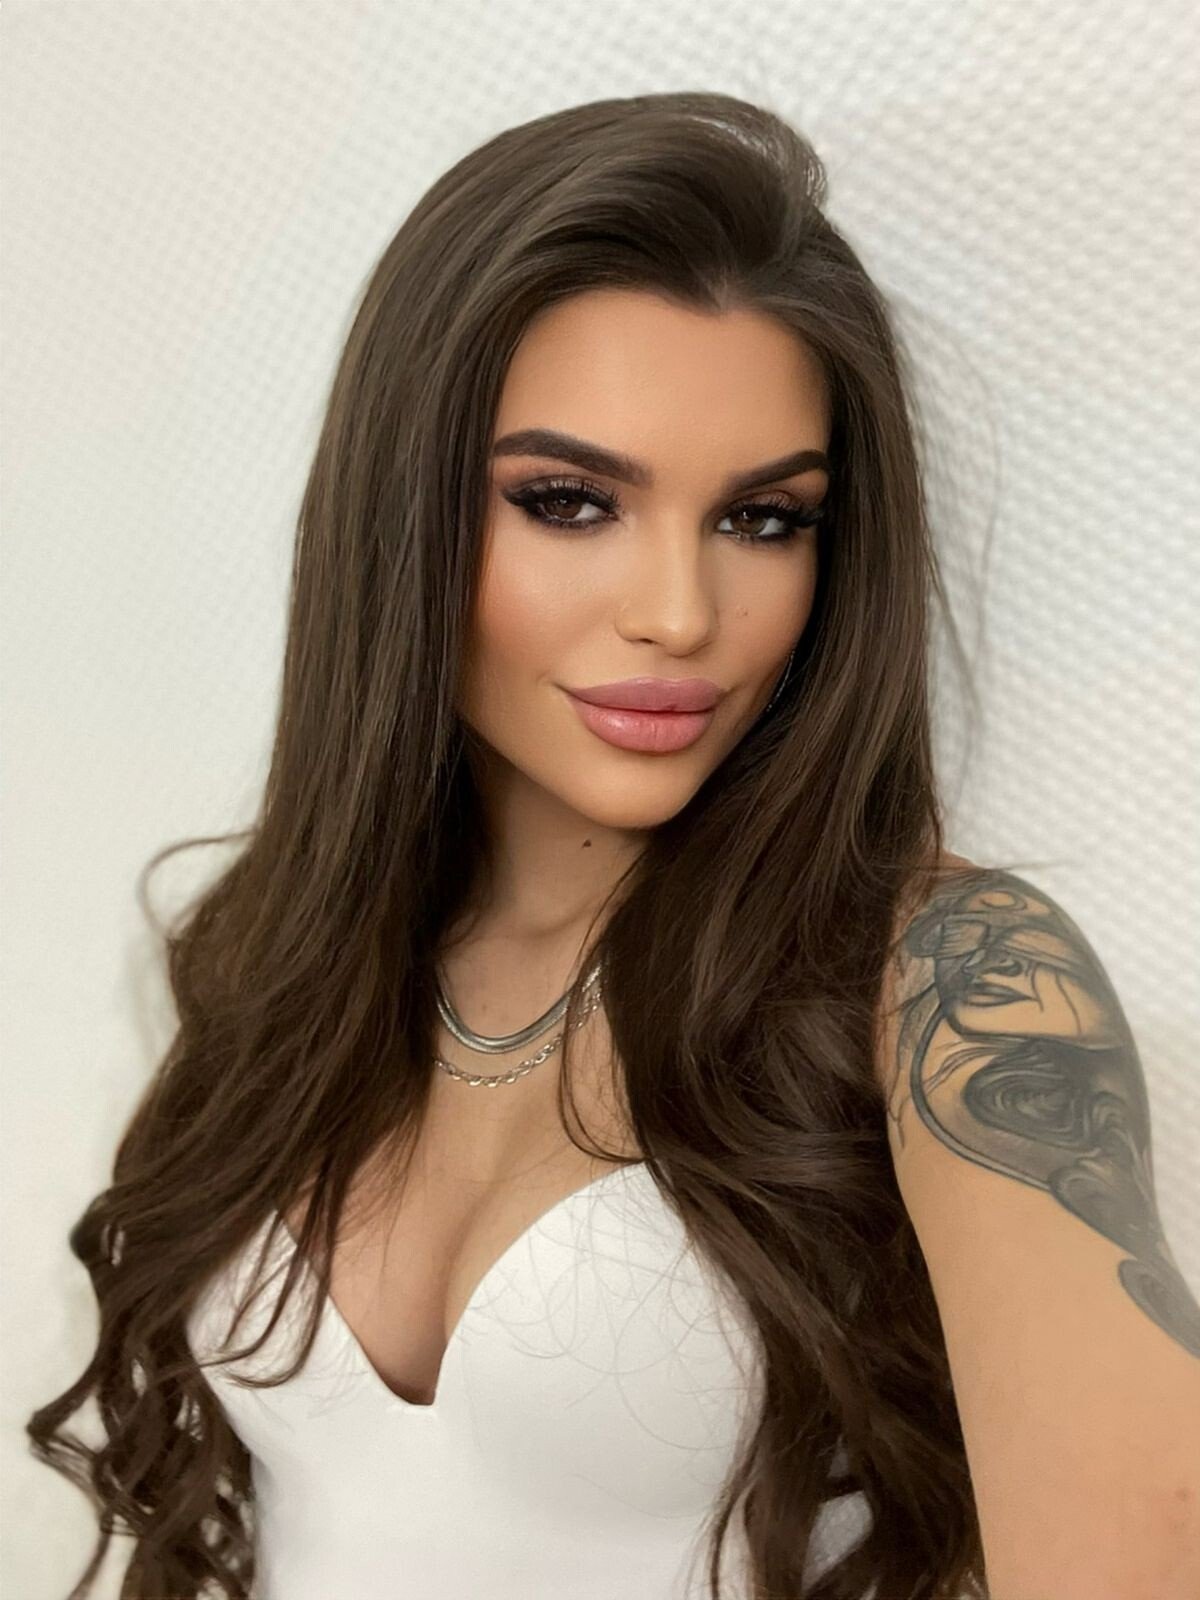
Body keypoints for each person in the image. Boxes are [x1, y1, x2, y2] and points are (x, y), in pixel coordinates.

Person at [28, 90, 1198, 1600]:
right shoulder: (279, 947)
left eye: (763, 521)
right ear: (404, 517)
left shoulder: (955, 985)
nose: (680, 614)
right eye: (570, 502)